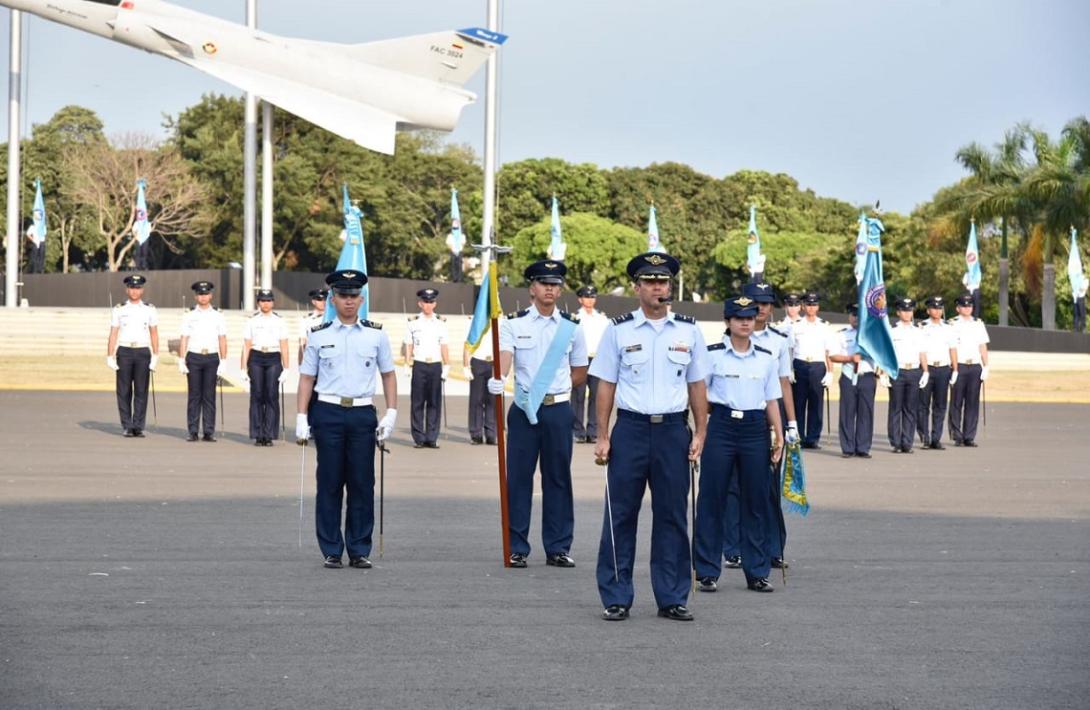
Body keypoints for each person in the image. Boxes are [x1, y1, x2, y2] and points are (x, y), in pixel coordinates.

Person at [590, 252, 709, 622]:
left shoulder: (688, 331)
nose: (659, 287)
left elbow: (697, 384)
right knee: (620, 514)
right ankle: (616, 596)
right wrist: (603, 434)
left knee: (673, 516)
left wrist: (701, 431)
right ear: (637, 287)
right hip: (631, 430)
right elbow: (606, 383)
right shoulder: (619, 329)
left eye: (664, 281)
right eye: (651, 281)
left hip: (674, 430)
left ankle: (672, 596)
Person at [488, 260, 588, 569]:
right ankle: (516, 546)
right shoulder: (513, 323)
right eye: (544, 283)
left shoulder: (571, 327)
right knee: (518, 478)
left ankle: (558, 547)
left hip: (558, 409)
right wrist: (499, 377)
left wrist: (555, 390)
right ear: (531, 288)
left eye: (555, 284)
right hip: (523, 410)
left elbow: (580, 370)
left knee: (558, 478)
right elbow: (505, 357)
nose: (550, 288)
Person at [295, 269, 398, 569]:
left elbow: (388, 375)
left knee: (362, 483)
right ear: (332, 298)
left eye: (354, 295)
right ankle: (331, 549)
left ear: (362, 298)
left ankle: (358, 548)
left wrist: (391, 411)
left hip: (362, 413)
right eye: (343, 295)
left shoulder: (376, 334)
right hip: (327, 412)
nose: (349, 301)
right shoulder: (318, 335)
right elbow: (306, 379)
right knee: (329, 482)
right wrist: (301, 415)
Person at [693, 295, 784, 595]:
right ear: (728, 321)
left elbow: (771, 398)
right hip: (721, 426)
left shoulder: (766, 356)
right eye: (738, 317)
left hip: (755, 429)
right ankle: (707, 570)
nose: (745, 322)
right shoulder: (713, 354)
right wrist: (702, 430)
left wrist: (779, 435)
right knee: (712, 498)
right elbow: (699, 393)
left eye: (750, 316)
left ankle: (757, 571)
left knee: (755, 501)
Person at [721, 281, 798, 571]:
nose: (762, 307)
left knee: (766, 489)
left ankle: (773, 547)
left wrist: (790, 424)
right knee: (733, 488)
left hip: (767, 422)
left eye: (766, 302)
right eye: (756, 302)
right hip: (735, 420)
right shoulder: (730, 338)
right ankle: (734, 548)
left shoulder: (779, 341)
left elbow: (783, 385)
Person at [106, 274, 159, 437]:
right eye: (132, 288)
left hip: (143, 351)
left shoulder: (150, 309)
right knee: (124, 390)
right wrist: (110, 355)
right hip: (125, 351)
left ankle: (138, 425)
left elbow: (154, 333)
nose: (135, 291)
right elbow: (113, 333)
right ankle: (127, 425)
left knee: (141, 391)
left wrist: (156, 355)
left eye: (137, 288)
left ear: (142, 290)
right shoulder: (119, 309)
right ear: (127, 289)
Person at [179, 280, 227, 442]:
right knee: (194, 395)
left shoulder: (218, 315)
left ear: (211, 295)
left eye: (206, 294)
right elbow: (184, 338)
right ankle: (192, 431)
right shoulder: (189, 314)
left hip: (212, 357)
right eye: (200, 294)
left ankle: (208, 431)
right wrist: (181, 358)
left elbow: (222, 339)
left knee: (209, 396)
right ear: (196, 296)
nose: (203, 297)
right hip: (194, 356)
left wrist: (224, 360)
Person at [241, 289, 290, 446]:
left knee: (271, 395)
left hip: (273, 357)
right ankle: (257, 433)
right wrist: (243, 367)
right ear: (258, 303)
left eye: (268, 300)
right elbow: (246, 345)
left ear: (273, 302)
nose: (266, 303)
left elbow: (284, 345)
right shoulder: (252, 321)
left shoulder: (279, 321)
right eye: (262, 300)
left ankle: (268, 434)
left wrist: (287, 368)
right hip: (256, 356)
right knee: (257, 395)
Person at [404, 288, 449, 448]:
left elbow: (444, 345)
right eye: (425, 302)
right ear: (420, 303)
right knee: (417, 402)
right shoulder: (413, 322)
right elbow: (409, 344)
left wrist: (447, 364)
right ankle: (419, 438)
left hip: (435, 364)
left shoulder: (441, 322)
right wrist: (407, 363)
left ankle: (432, 437)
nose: (428, 305)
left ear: (435, 303)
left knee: (434, 402)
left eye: (431, 302)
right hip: (420, 364)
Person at [829, 303, 877, 458]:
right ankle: (848, 447)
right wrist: (849, 358)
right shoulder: (842, 334)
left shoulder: (872, 335)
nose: (856, 317)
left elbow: (881, 355)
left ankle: (863, 447)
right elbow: (833, 356)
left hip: (867, 375)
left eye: (859, 314)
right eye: (853, 314)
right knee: (847, 412)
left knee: (866, 413)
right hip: (849, 375)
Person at [791, 291, 836, 449]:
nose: (811, 307)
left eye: (814, 304)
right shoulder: (795, 326)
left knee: (816, 403)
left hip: (817, 365)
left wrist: (830, 372)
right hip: (800, 364)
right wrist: (790, 369)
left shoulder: (825, 327)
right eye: (809, 304)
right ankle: (799, 436)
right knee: (799, 403)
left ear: (818, 306)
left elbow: (829, 351)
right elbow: (790, 349)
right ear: (803, 306)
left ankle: (813, 438)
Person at [886, 297, 929, 453]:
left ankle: (907, 443)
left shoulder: (918, 331)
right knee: (895, 408)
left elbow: (922, 352)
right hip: (898, 371)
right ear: (898, 312)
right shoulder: (892, 330)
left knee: (911, 409)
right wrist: (884, 372)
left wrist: (926, 371)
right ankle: (896, 442)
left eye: (909, 310)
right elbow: (887, 353)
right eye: (904, 310)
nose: (907, 313)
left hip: (914, 371)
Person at [948, 292, 990, 447]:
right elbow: (950, 347)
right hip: (959, 365)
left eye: (970, 306)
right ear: (958, 308)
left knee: (972, 403)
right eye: (964, 306)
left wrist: (986, 366)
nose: (967, 308)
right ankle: (956, 435)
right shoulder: (952, 324)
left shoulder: (978, 323)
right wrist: (953, 368)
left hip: (974, 366)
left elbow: (982, 346)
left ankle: (969, 436)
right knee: (956, 402)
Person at [917, 296, 959, 450]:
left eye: (940, 308)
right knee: (923, 405)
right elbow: (920, 350)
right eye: (934, 308)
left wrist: (955, 369)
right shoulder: (922, 327)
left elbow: (952, 349)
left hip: (943, 368)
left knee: (940, 405)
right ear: (928, 310)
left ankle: (936, 438)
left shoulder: (948, 328)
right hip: (927, 368)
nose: (937, 310)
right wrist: (924, 370)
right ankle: (924, 437)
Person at [571, 285, 609, 444]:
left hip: (596, 359)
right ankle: (577, 431)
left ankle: (592, 431)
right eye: (586, 297)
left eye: (592, 297)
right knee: (578, 396)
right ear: (580, 299)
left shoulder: (601, 318)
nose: (590, 300)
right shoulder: (574, 317)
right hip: (580, 360)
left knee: (596, 397)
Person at [464, 331, 497, 445]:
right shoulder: (476, 322)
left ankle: (491, 434)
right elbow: (467, 344)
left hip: (494, 361)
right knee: (476, 399)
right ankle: (476, 434)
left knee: (493, 400)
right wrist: (466, 365)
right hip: (478, 360)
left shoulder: (500, 321)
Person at [298, 288, 328, 365]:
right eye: (319, 299)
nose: (323, 302)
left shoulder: (333, 318)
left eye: (325, 299)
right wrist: (301, 364)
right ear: (313, 301)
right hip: (312, 358)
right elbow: (302, 344)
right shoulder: (307, 320)